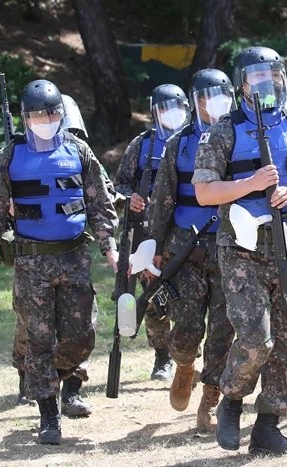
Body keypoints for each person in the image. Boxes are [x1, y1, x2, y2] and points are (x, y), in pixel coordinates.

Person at [193, 46, 287, 455]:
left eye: (273, 74)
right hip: (242, 251)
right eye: (257, 76)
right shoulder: (224, 131)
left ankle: (269, 427)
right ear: (241, 84)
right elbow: (204, 192)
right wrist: (252, 183)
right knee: (257, 338)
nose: (267, 82)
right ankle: (232, 401)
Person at [0, 79, 118, 445]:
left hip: (73, 258)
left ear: (61, 114)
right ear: (25, 118)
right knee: (39, 340)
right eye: (37, 115)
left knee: (81, 336)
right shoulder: (10, 157)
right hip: (31, 263)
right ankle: (48, 415)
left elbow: (100, 204)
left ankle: (50, 377)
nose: (45, 120)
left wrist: (110, 248)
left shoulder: (79, 151)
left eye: (51, 113)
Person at [8, 94, 112, 415]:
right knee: (36, 329)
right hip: (35, 256)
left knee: (78, 327)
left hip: (73, 254)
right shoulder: (18, 152)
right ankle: (34, 378)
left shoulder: (78, 150)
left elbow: (101, 191)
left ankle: (70, 390)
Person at [147, 68, 235, 433]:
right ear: (197, 101)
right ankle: (184, 365)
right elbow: (162, 200)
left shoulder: (239, 136)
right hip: (186, 249)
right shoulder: (178, 144)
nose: (217, 101)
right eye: (210, 95)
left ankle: (210, 398)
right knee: (185, 328)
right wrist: (154, 245)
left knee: (222, 328)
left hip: (230, 244)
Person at [115, 84, 190, 381]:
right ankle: (162, 357)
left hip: (183, 233)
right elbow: (118, 184)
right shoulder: (142, 145)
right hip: (146, 234)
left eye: (176, 108)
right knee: (154, 298)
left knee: (188, 299)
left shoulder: (195, 140)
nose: (170, 115)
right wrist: (128, 197)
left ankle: (187, 352)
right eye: (163, 109)